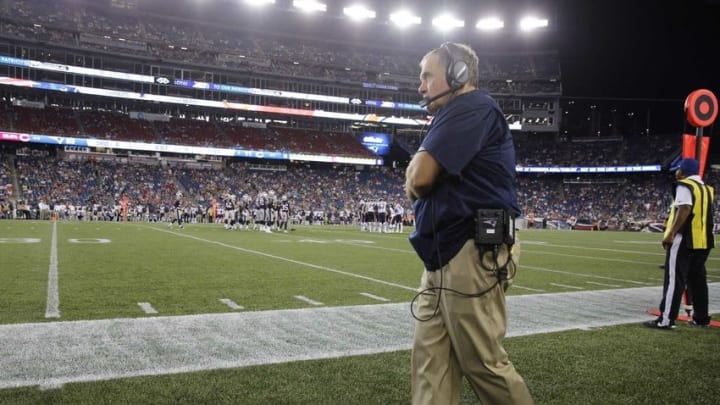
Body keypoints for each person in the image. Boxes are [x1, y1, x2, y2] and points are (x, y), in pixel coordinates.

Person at [405, 42, 533, 405]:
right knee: (431, 362)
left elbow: (420, 178)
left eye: (427, 75)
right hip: (444, 255)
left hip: (471, 252)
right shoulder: (456, 113)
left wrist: (416, 170)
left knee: (483, 364)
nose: (421, 86)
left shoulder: (471, 106)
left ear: (458, 74)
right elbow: (419, 177)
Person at [644, 158, 714, 329]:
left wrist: (671, 233)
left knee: (674, 280)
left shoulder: (684, 185)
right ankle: (701, 317)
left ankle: (666, 319)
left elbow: (685, 209)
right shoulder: (706, 189)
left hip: (685, 239)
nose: (676, 172)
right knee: (698, 281)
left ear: (683, 171)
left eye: (678, 169)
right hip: (704, 240)